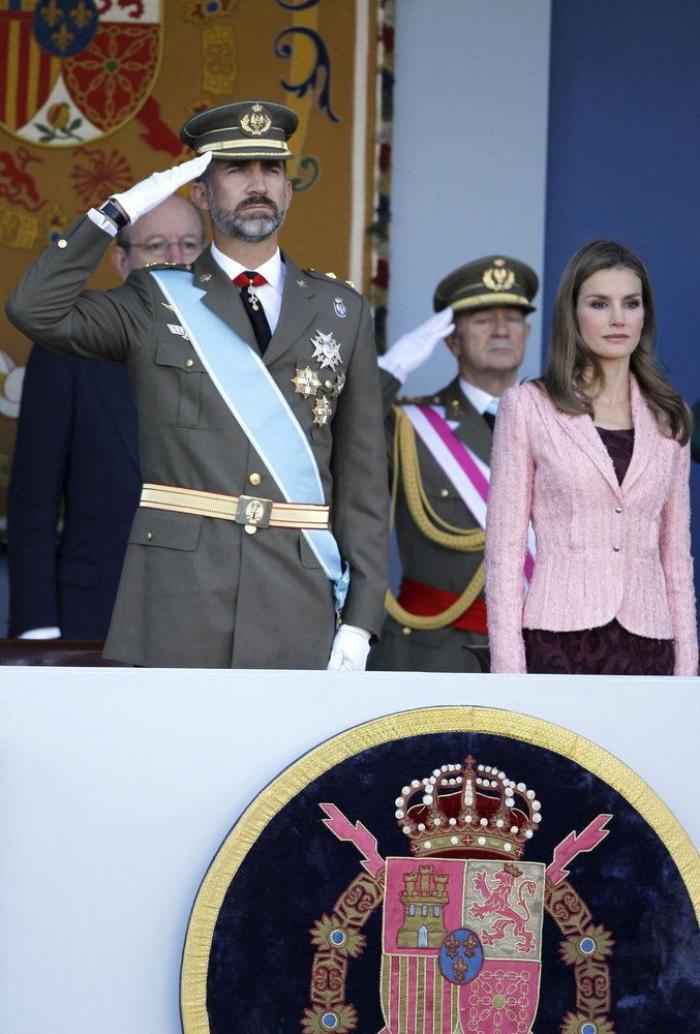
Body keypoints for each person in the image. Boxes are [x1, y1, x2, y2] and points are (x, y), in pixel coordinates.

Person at [6, 99, 388, 669]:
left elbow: (363, 486)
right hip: (177, 600)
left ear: (288, 192)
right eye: (236, 169)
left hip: (297, 598)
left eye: (271, 169)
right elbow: (34, 309)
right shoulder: (155, 299)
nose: (257, 184)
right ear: (202, 194)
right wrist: (117, 211)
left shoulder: (341, 310)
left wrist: (360, 622)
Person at [485, 239, 698, 676]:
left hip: (651, 646)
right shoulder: (528, 407)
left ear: (644, 315)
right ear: (573, 313)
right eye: (600, 304)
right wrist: (508, 675)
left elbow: (677, 560)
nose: (618, 318)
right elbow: (504, 555)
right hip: (558, 642)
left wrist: (688, 674)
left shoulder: (670, 417)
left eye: (631, 303)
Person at [7, 195, 207, 641]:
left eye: (189, 245)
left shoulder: (240, 350)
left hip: (209, 616)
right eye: (156, 245)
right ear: (121, 261)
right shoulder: (67, 350)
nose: (175, 258)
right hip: (95, 614)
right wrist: (37, 627)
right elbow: (32, 501)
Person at [369, 255, 539, 672]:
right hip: (437, 655)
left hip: (539, 655)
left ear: (527, 332)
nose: (501, 330)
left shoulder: (562, 425)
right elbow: (336, 436)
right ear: (452, 341)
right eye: (482, 320)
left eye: (512, 319)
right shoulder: (407, 424)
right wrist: (388, 371)